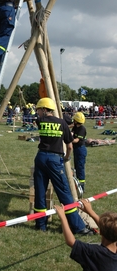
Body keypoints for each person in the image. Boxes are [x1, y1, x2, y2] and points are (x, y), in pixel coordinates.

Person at [34, 97, 92, 234]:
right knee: (64, 193)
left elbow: (40, 119)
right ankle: (78, 227)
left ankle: (41, 225)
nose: (38, 113)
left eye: (39, 110)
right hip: (55, 159)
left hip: (41, 157)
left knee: (40, 192)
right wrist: (66, 158)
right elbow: (70, 146)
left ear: (43, 109)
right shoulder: (62, 123)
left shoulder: (39, 121)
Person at [55, 199, 117, 271]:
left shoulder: (94, 252)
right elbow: (107, 229)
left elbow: (71, 241)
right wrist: (90, 211)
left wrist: (63, 217)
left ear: (100, 231)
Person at [72, 112, 87, 191]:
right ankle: (77, 185)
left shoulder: (82, 129)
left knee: (80, 168)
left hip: (80, 149)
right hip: (76, 149)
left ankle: (81, 187)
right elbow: (71, 133)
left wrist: (68, 139)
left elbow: (76, 140)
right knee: (76, 168)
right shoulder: (75, 127)